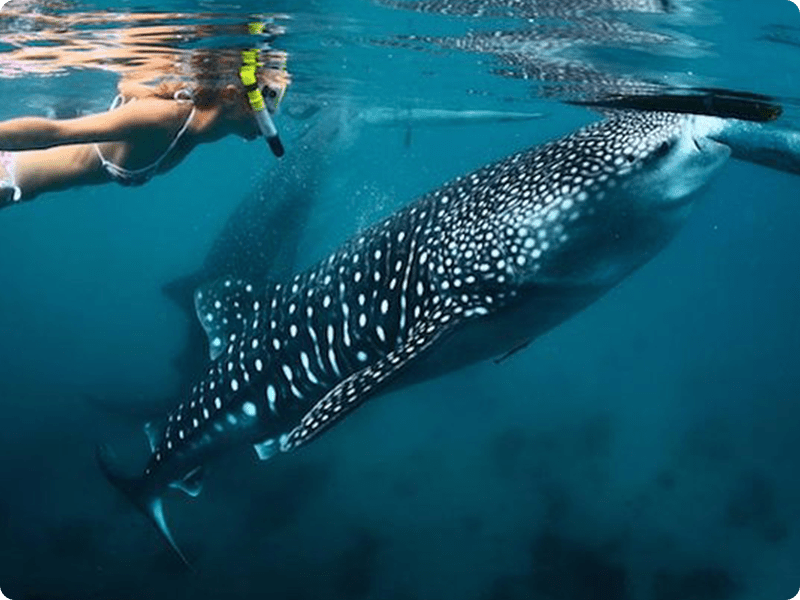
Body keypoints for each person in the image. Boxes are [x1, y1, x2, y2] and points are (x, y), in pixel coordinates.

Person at [0, 21, 290, 206]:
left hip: (22, 185)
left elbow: (126, 84)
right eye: (270, 100)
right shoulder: (164, 118)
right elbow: (56, 133)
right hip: (8, 177)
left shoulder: (190, 121)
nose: (273, 114)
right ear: (229, 95)